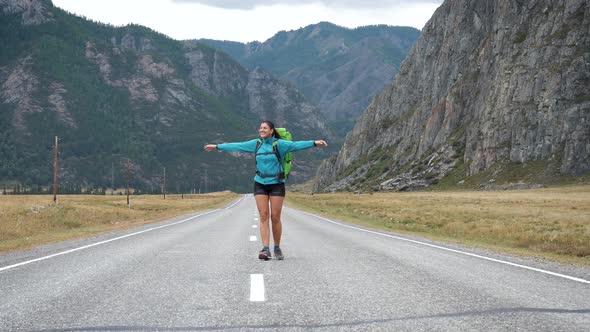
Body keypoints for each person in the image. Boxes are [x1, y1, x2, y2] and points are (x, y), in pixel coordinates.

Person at [204, 120, 328, 260]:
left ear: (271, 131)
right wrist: (217, 147)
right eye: (260, 128)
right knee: (263, 215)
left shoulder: (279, 144)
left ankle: (277, 247)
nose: (261, 130)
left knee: (275, 217)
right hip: (260, 183)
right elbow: (238, 146)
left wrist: (314, 143)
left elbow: (295, 146)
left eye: (264, 128)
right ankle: (265, 249)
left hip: (277, 183)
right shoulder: (256, 144)